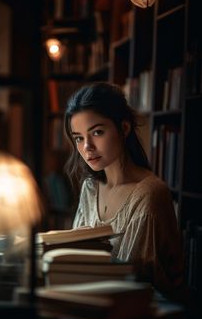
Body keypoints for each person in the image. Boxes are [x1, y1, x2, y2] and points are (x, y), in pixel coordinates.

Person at [64, 81, 187, 302]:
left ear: (124, 128)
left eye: (97, 132)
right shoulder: (90, 188)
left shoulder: (150, 194)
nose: (87, 147)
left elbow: (146, 282)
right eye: (79, 138)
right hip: (89, 305)